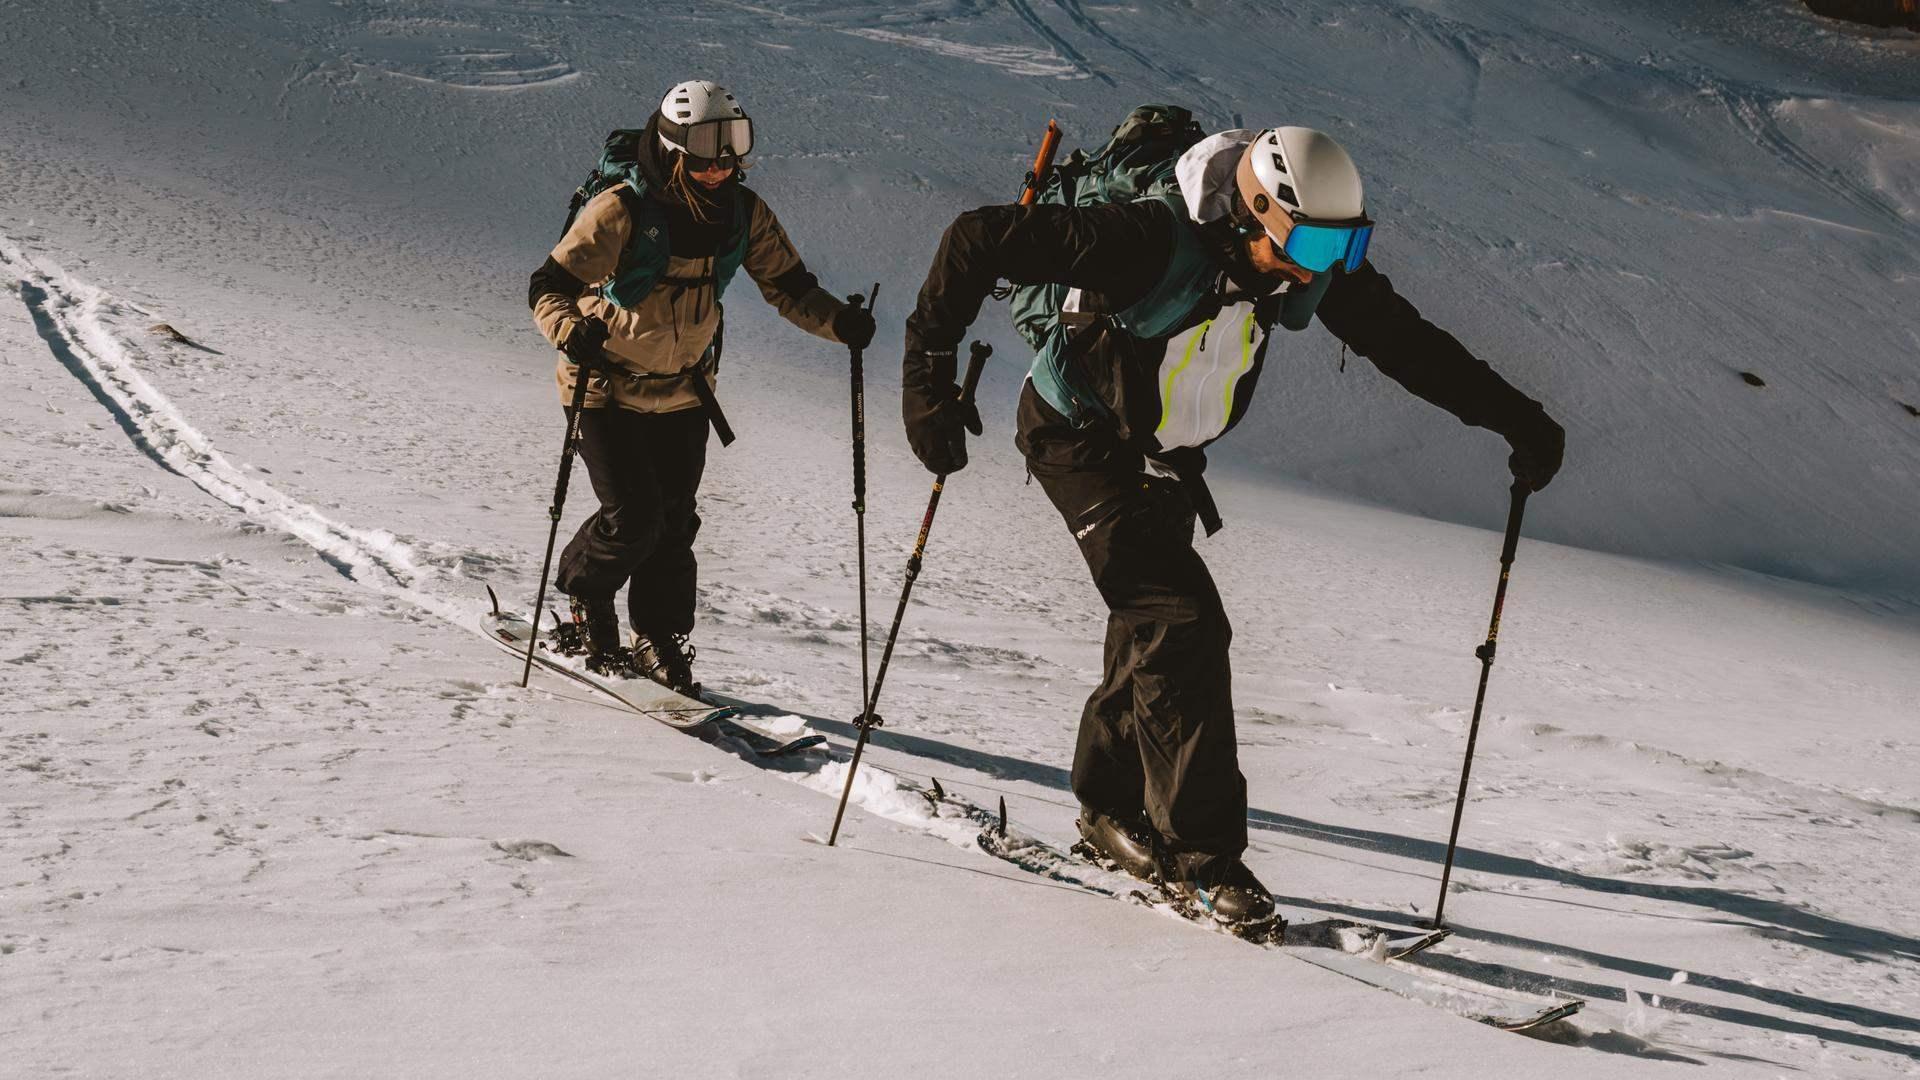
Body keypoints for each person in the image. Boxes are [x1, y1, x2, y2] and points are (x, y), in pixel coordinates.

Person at [900, 125, 1564, 928]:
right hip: (1078, 436)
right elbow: (978, 237)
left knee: (1152, 632)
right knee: (1183, 621)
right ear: (1255, 211)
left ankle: (1111, 811)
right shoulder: (1147, 239)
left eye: (1346, 245)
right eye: (1315, 241)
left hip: (1166, 459)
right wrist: (927, 381)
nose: (1326, 264)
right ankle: (1205, 859)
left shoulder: (1301, 269)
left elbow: (1404, 342)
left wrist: (1516, 420)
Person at [529, 79, 875, 693]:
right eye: (710, 151)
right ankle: (587, 602)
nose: (724, 166)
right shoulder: (621, 209)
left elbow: (790, 287)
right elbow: (547, 286)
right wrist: (568, 330)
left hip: (686, 392)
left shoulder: (743, 213)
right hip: (602, 386)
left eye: (734, 146)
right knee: (633, 518)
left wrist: (840, 324)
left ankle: (656, 637)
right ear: (673, 149)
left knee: (673, 523)